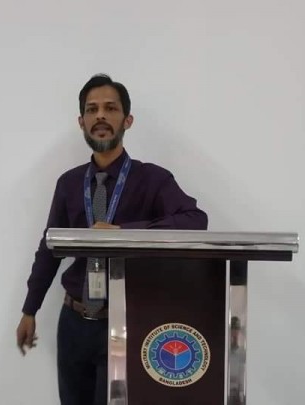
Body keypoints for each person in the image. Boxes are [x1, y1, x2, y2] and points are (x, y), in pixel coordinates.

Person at [15, 74, 209, 405]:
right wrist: (29, 309)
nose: (100, 116)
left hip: (127, 323)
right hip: (74, 322)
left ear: (127, 120)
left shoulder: (153, 179)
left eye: (110, 108)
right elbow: (49, 249)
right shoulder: (69, 183)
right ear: (82, 122)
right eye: (92, 110)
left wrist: (126, 233)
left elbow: (196, 220)